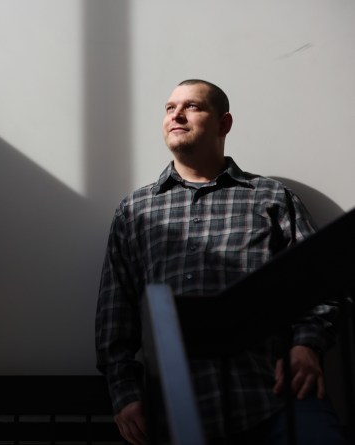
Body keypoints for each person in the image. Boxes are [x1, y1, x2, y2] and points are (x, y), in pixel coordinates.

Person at [95, 79, 347, 445]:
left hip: (279, 400)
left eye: (192, 107)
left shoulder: (271, 197)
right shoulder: (135, 211)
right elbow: (113, 318)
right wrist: (125, 394)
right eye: (169, 108)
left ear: (223, 124)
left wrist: (306, 344)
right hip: (179, 415)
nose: (176, 115)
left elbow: (322, 283)